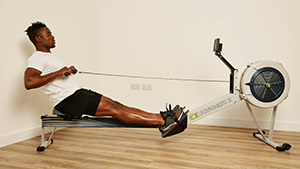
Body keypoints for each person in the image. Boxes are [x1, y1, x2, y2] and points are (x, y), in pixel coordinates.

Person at [24, 21, 187, 137]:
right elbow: (29, 82)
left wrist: (66, 71)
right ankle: (163, 122)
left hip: (76, 93)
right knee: (115, 110)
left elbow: (57, 74)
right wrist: (59, 72)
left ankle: (163, 117)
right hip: (67, 101)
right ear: (38, 39)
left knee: (117, 106)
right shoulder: (36, 58)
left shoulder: (48, 57)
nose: (52, 37)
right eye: (49, 34)